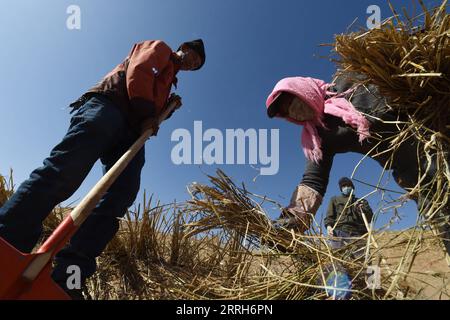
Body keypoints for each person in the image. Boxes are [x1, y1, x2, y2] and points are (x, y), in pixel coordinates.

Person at [0, 39, 206, 299]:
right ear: (183, 47)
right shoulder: (160, 49)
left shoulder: (170, 85)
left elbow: (152, 116)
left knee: (121, 195)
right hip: (109, 105)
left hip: (131, 131)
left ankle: (68, 278)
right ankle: (7, 239)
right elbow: (139, 72)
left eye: (196, 64)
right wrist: (148, 113)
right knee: (66, 170)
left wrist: (166, 109)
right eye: (192, 55)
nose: (191, 62)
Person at [265, 72, 449, 256]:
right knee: (442, 219)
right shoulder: (319, 138)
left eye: (292, 101)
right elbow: (313, 183)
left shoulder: (350, 81)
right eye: (287, 111)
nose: (294, 110)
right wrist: (290, 223)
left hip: (433, 142)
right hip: (412, 174)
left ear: (303, 90)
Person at [325, 177, 373, 255]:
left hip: (358, 234)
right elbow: (329, 216)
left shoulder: (362, 201)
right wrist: (329, 227)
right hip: (339, 232)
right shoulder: (334, 200)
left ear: (352, 187)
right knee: (338, 258)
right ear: (341, 189)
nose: (346, 188)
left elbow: (370, 218)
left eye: (348, 186)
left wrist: (362, 209)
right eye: (344, 186)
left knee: (361, 259)